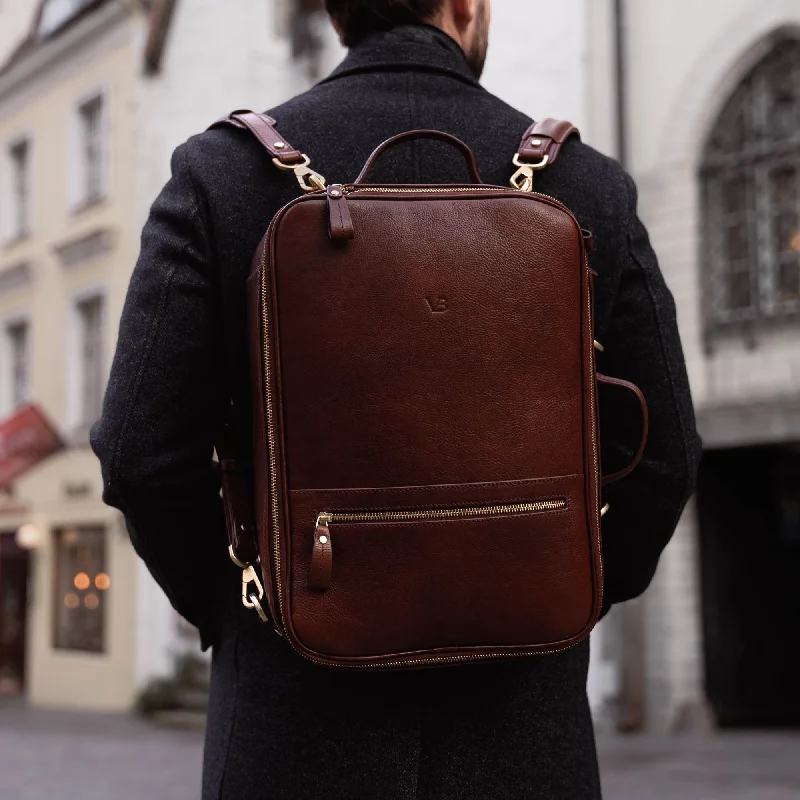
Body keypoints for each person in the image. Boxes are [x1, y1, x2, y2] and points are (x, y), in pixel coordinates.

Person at [91, 1, 702, 797]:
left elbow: (140, 451)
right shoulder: (585, 183)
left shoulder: (221, 174)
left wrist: (248, 599)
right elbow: (666, 453)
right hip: (526, 733)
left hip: (292, 728)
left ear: (337, 13)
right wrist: (552, 584)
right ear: (469, 7)